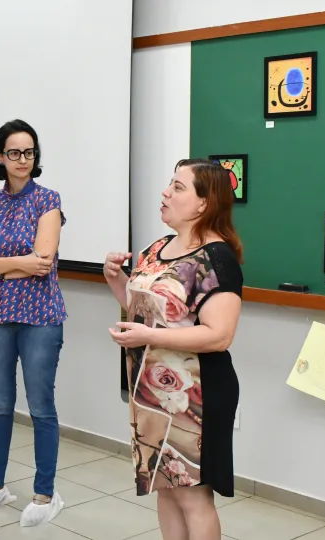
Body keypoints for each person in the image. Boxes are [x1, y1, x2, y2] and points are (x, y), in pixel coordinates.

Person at [104, 159, 243, 540]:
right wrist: (115, 281)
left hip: (196, 395)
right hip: (151, 393)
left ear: (203, 203)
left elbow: (219, 335)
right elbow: (145, 314)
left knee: (194, 496)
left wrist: (149, 338)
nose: (166, 193)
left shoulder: (217, 259)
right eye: (169, 184)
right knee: (164, 487)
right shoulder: (157, 247)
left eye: (178, 187)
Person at [0, 119, 67, 527]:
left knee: (41, 406)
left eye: (29, 152)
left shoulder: (49, 200)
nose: (22, 159)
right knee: (0, 404)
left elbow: (43, 263)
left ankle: (45, 492)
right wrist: (17, 265)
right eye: (14, 153)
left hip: (40, 316)